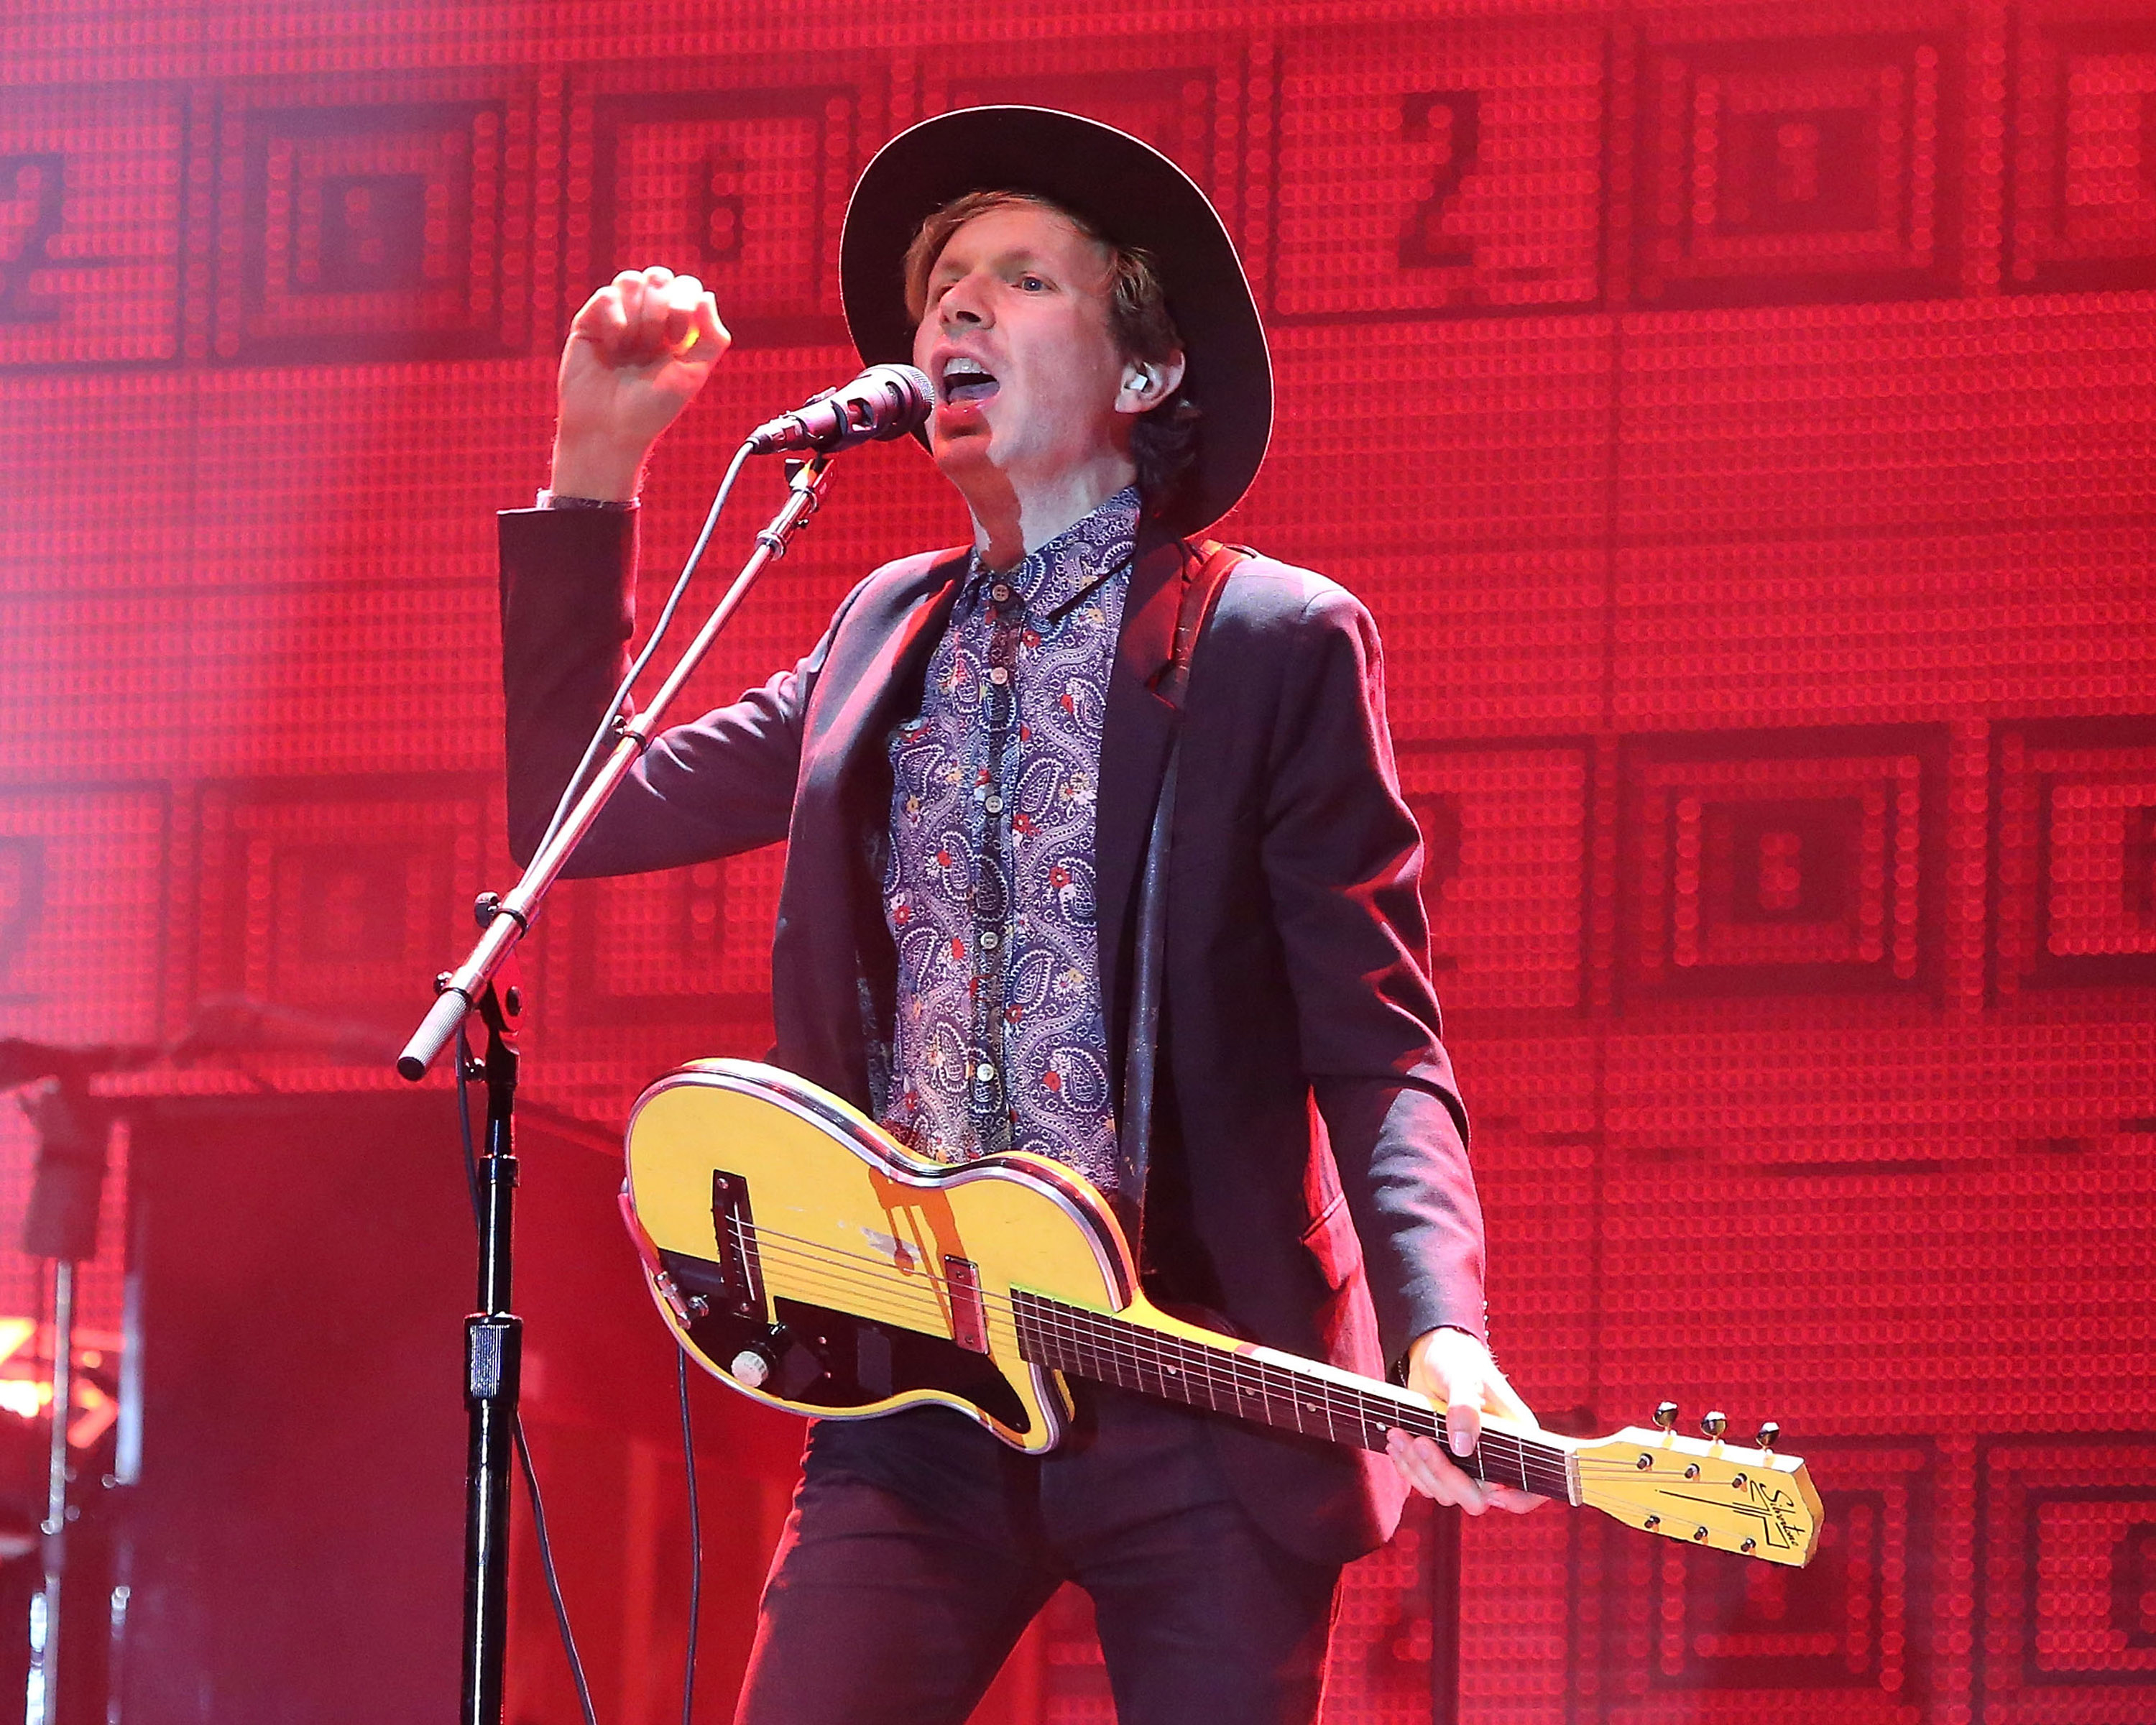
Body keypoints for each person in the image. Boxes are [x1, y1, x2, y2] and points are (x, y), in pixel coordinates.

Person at [499, 106, 1540, 1725]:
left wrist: (1443, 1328)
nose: (957, 310)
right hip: (919, 1386)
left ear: (1145, 373)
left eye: (1021, 279)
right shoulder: (880, 635)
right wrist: (596, 466)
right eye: (943, 290)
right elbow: (587, 811)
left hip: (1202, 1390)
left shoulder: (1272, 642)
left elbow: (1376, 1037)